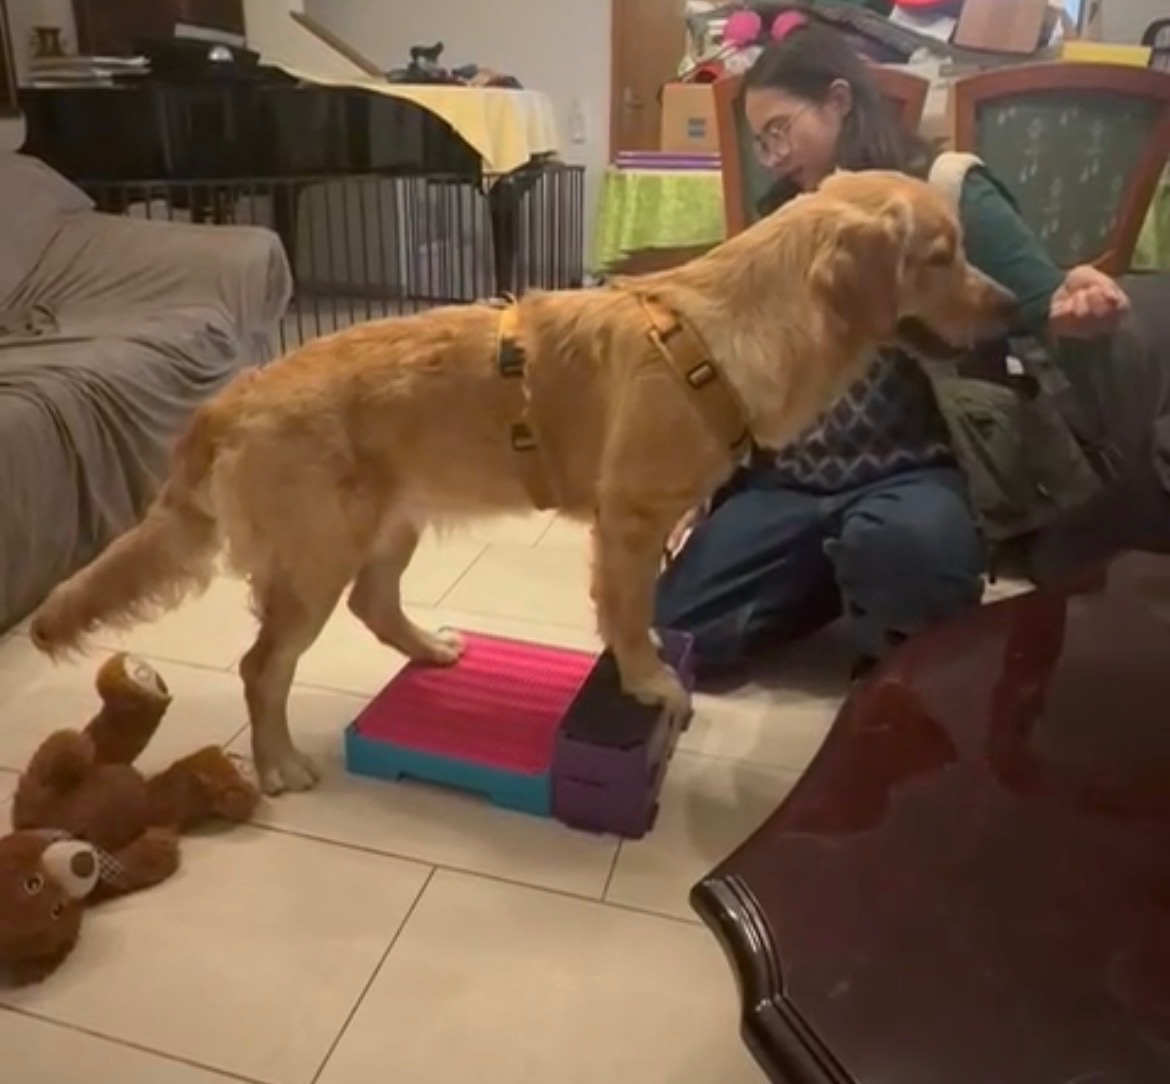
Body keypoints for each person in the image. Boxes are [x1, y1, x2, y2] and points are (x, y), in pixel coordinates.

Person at [654, 22, 1130, 680]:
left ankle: (880, 577)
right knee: (677, 627)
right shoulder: (785, 221)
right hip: (791, 480)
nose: (772, 156)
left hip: (911, 476)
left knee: (909, 556)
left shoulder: (943, 190)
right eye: (761, 141)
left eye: (780, 130)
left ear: (838, 101)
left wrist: (1080, 307)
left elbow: (1045, 305)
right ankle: (839, 571)